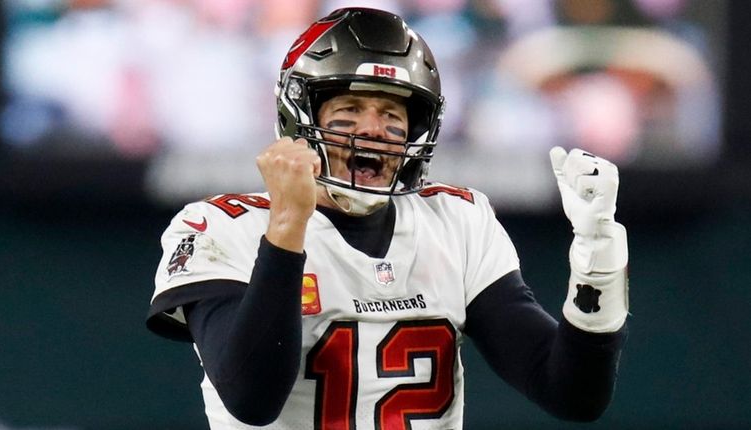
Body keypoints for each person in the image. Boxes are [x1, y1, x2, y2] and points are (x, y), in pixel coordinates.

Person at [146, 7, 629, 429]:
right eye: (350, 108)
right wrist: (288, 226)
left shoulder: (456, 221)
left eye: (392, 114)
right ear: (301, 117)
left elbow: (570, 394)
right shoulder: (221, 226)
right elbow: (252, 399)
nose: (373, 130)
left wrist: (598, 264)